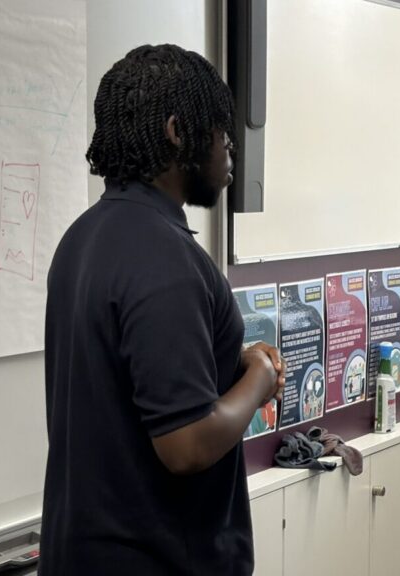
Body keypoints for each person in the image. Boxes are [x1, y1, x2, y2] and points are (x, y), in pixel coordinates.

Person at [40, 44, 285, 576]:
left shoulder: (83, 239)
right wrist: (261, 376)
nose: (230, 150)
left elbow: (129, 373)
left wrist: (229, 360)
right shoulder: (165, 260)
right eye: (221, 131)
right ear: (178, 132)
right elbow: (188, 444)